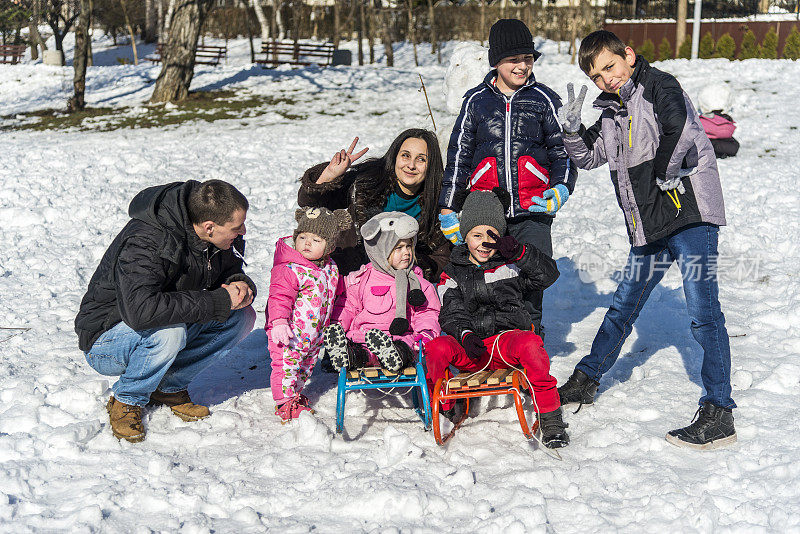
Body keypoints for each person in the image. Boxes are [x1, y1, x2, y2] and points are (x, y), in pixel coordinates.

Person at [556, 30, 735, 450]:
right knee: (623, 304)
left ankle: (719, 410)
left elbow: (682, 131)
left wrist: (663, 173)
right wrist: (570, 131)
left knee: (703, 312)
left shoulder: (660, 86)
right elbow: (592, 157)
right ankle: (586, 380)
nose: (606, 79)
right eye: (597, 75)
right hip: (651, 224)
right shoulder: (611, 113)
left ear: (629, 56)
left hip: (689, 214)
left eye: (610, 67)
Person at [75, 180, 257, 443]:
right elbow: (141, 312)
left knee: (241, 317)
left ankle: (169, 388)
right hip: (107, 339)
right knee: (169, 333)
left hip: (164, 322)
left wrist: (240, 284)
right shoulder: (146, 240)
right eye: (236, 227)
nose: (243, 231)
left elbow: (227, 272)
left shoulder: (215, 234)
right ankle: (127, 399)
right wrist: (219, 300)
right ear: (209, 227)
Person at [438, 18, 577, 337]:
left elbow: (562, 152)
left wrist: (560, 188)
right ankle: (491, 341)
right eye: (514, 59)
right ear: (497, 61)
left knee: (532, 277)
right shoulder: (476, 102)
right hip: (489, 211)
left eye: (528, 58)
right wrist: (449, 207)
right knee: (491, 279)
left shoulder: (544, 100)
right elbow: (459, 156)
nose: (522, 65)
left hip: (535, 210)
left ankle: (531, 342)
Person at [425, 189, 568, 449]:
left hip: (505, 344)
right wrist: (464, 334)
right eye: (476, 235)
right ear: (464, 236)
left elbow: (548, 276)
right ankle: (446, 406)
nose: (483, 242)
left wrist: (521, 253)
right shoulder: (453, 272)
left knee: (530, 344)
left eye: (491, 235)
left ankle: (550, 416)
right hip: (473, 348)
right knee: (436, 348)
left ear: (500, 236)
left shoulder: (510, 264)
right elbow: (450, 310)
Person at [297, 129, 450, 284]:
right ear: (395, 156)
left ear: (431, 165)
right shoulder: (366, 182)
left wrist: (407, 270)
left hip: (398, 287)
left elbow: (440, 258)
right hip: (350, 277)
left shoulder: (440, 202)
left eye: (421, 159)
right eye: (405, 155)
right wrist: (329, 175)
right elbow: (310, 205)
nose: (411, 165)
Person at [324, 212, 440, 373]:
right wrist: (338, 326)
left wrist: (425, 333)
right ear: (379, 251)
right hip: (364, 337)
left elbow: (427, 312)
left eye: (408, 246)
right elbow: (348, 306)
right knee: (361, 350)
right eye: (398, 248)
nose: (406, 252)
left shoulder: (418, 283)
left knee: (406, 346)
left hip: (400, 338)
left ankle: (395, 355)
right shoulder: (362, 279)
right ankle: (351, 356)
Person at [266, 207, 353, 423]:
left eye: (316, 239)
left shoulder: (330, 268)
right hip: (289, 333)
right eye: (302, 237)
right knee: (286, 367)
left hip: (314, 336)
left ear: (329, 245)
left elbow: (338, 293)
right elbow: (279, 296)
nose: (306, 243)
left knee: (305, 368)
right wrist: (278, 322)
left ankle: (294, 395)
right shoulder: (290, 268)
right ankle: (284, 403)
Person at [697, 83, 739, 159]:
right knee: (734, 146)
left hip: (705, 140)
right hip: (723, 141)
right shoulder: (726, 121)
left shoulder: (701, 120)